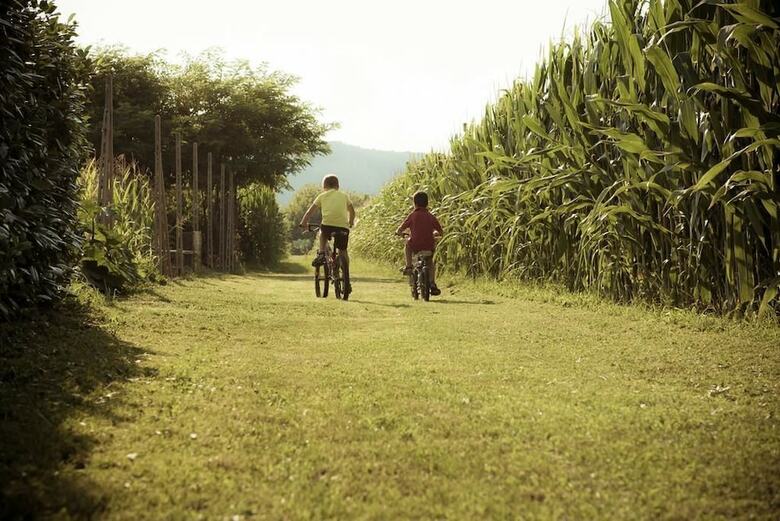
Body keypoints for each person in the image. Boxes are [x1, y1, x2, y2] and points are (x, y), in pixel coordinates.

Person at [299, 174, 355, 292]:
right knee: (343, 251)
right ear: (338, 186)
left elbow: (310, 212)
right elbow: (352, 211)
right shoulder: (344, 196)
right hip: (343, 228)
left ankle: (322, 253)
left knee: (322, 233)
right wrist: (350, 222)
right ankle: (346, 277)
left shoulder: (322, 196)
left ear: (324, 186)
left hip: (327, 225)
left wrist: (303, 222)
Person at [395, 191, 443, 296]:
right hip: (429, 245)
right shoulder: (431, 216)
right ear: (427, 203)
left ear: (414, 203)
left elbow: (401, 228)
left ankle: (408, 266)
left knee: (407, 245)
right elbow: (440, 231)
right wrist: (435, 234)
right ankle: (432, 283)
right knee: (430, 262)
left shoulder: (412, 216)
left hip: (415, 245)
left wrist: (399, 232)